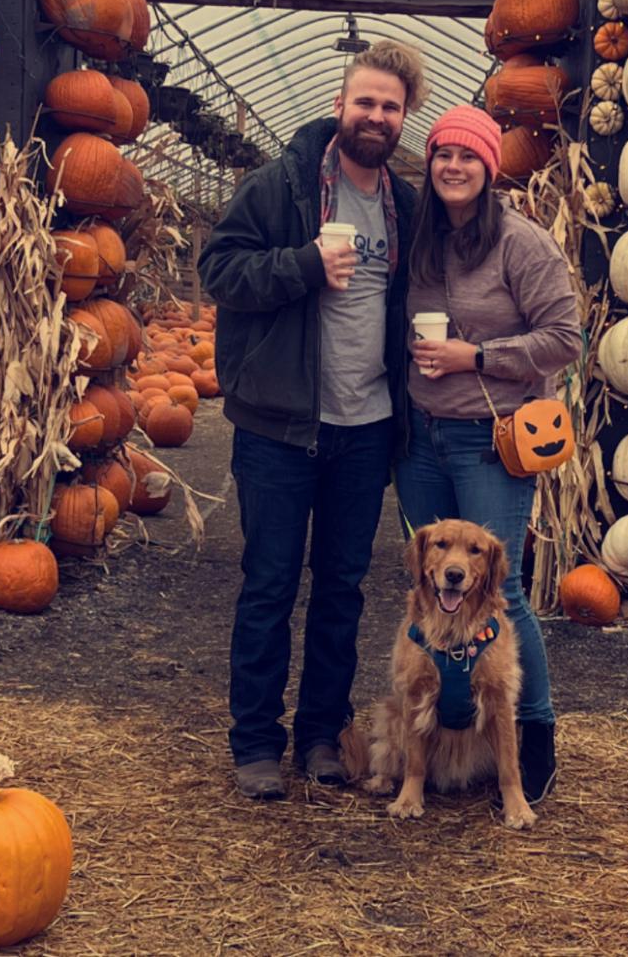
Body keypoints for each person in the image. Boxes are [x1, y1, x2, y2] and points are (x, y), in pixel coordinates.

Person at [197, 41, 427, 800]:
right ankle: (255, 741)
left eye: (390, 107)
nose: (376, 116)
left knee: (341, 588)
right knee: (267, 584)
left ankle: (322, 736)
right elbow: (220, 270)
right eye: (365, 101)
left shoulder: (409, 205)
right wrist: (301, 266)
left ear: (404, 118)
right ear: (340, 105)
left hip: (366, 428)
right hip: (279, 425)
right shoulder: (281, 187)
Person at [394, 104, 580, 805]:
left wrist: (478, 354)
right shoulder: (420, 240)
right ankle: (447, 729)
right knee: (432, 588)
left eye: (468, 156)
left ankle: (534, 734)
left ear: (489, 167)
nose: (453, 166)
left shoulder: (521, 245)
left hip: (487, 440)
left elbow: (564, 335)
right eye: (442, 154)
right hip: (418, 439)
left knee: (498, 594)